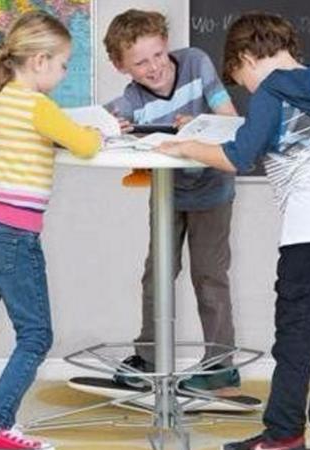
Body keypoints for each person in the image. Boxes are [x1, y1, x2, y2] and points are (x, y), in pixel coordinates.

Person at [157, 11, 310, 450]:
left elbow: (240, 155)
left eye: (239, 78)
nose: (245, 87)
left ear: (244, 58)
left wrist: (185, 146)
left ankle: (282, 438)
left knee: (297, 335)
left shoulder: (270, 92)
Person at [0, 11, 101, 450]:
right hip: (13, 234)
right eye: (64, 64)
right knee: (36, 335)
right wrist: (93, 132)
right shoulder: (38, 107)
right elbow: (87, 144)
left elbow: (27, 143)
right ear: (39, 61)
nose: (64, 73)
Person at [102, 9, 241, 395]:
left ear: (167, 45)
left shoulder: (196, 63)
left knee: (209, 276)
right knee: (157, 275)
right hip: (168, 194)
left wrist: (198, 127)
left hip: (212, 190)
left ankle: (220, 366)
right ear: (121, 67)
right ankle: (149, 359)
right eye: (140, 63)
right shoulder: (132, 98)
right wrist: (114, 126)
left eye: (158, 55)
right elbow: (105, 123)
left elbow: (230, 118)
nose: (154, 68)